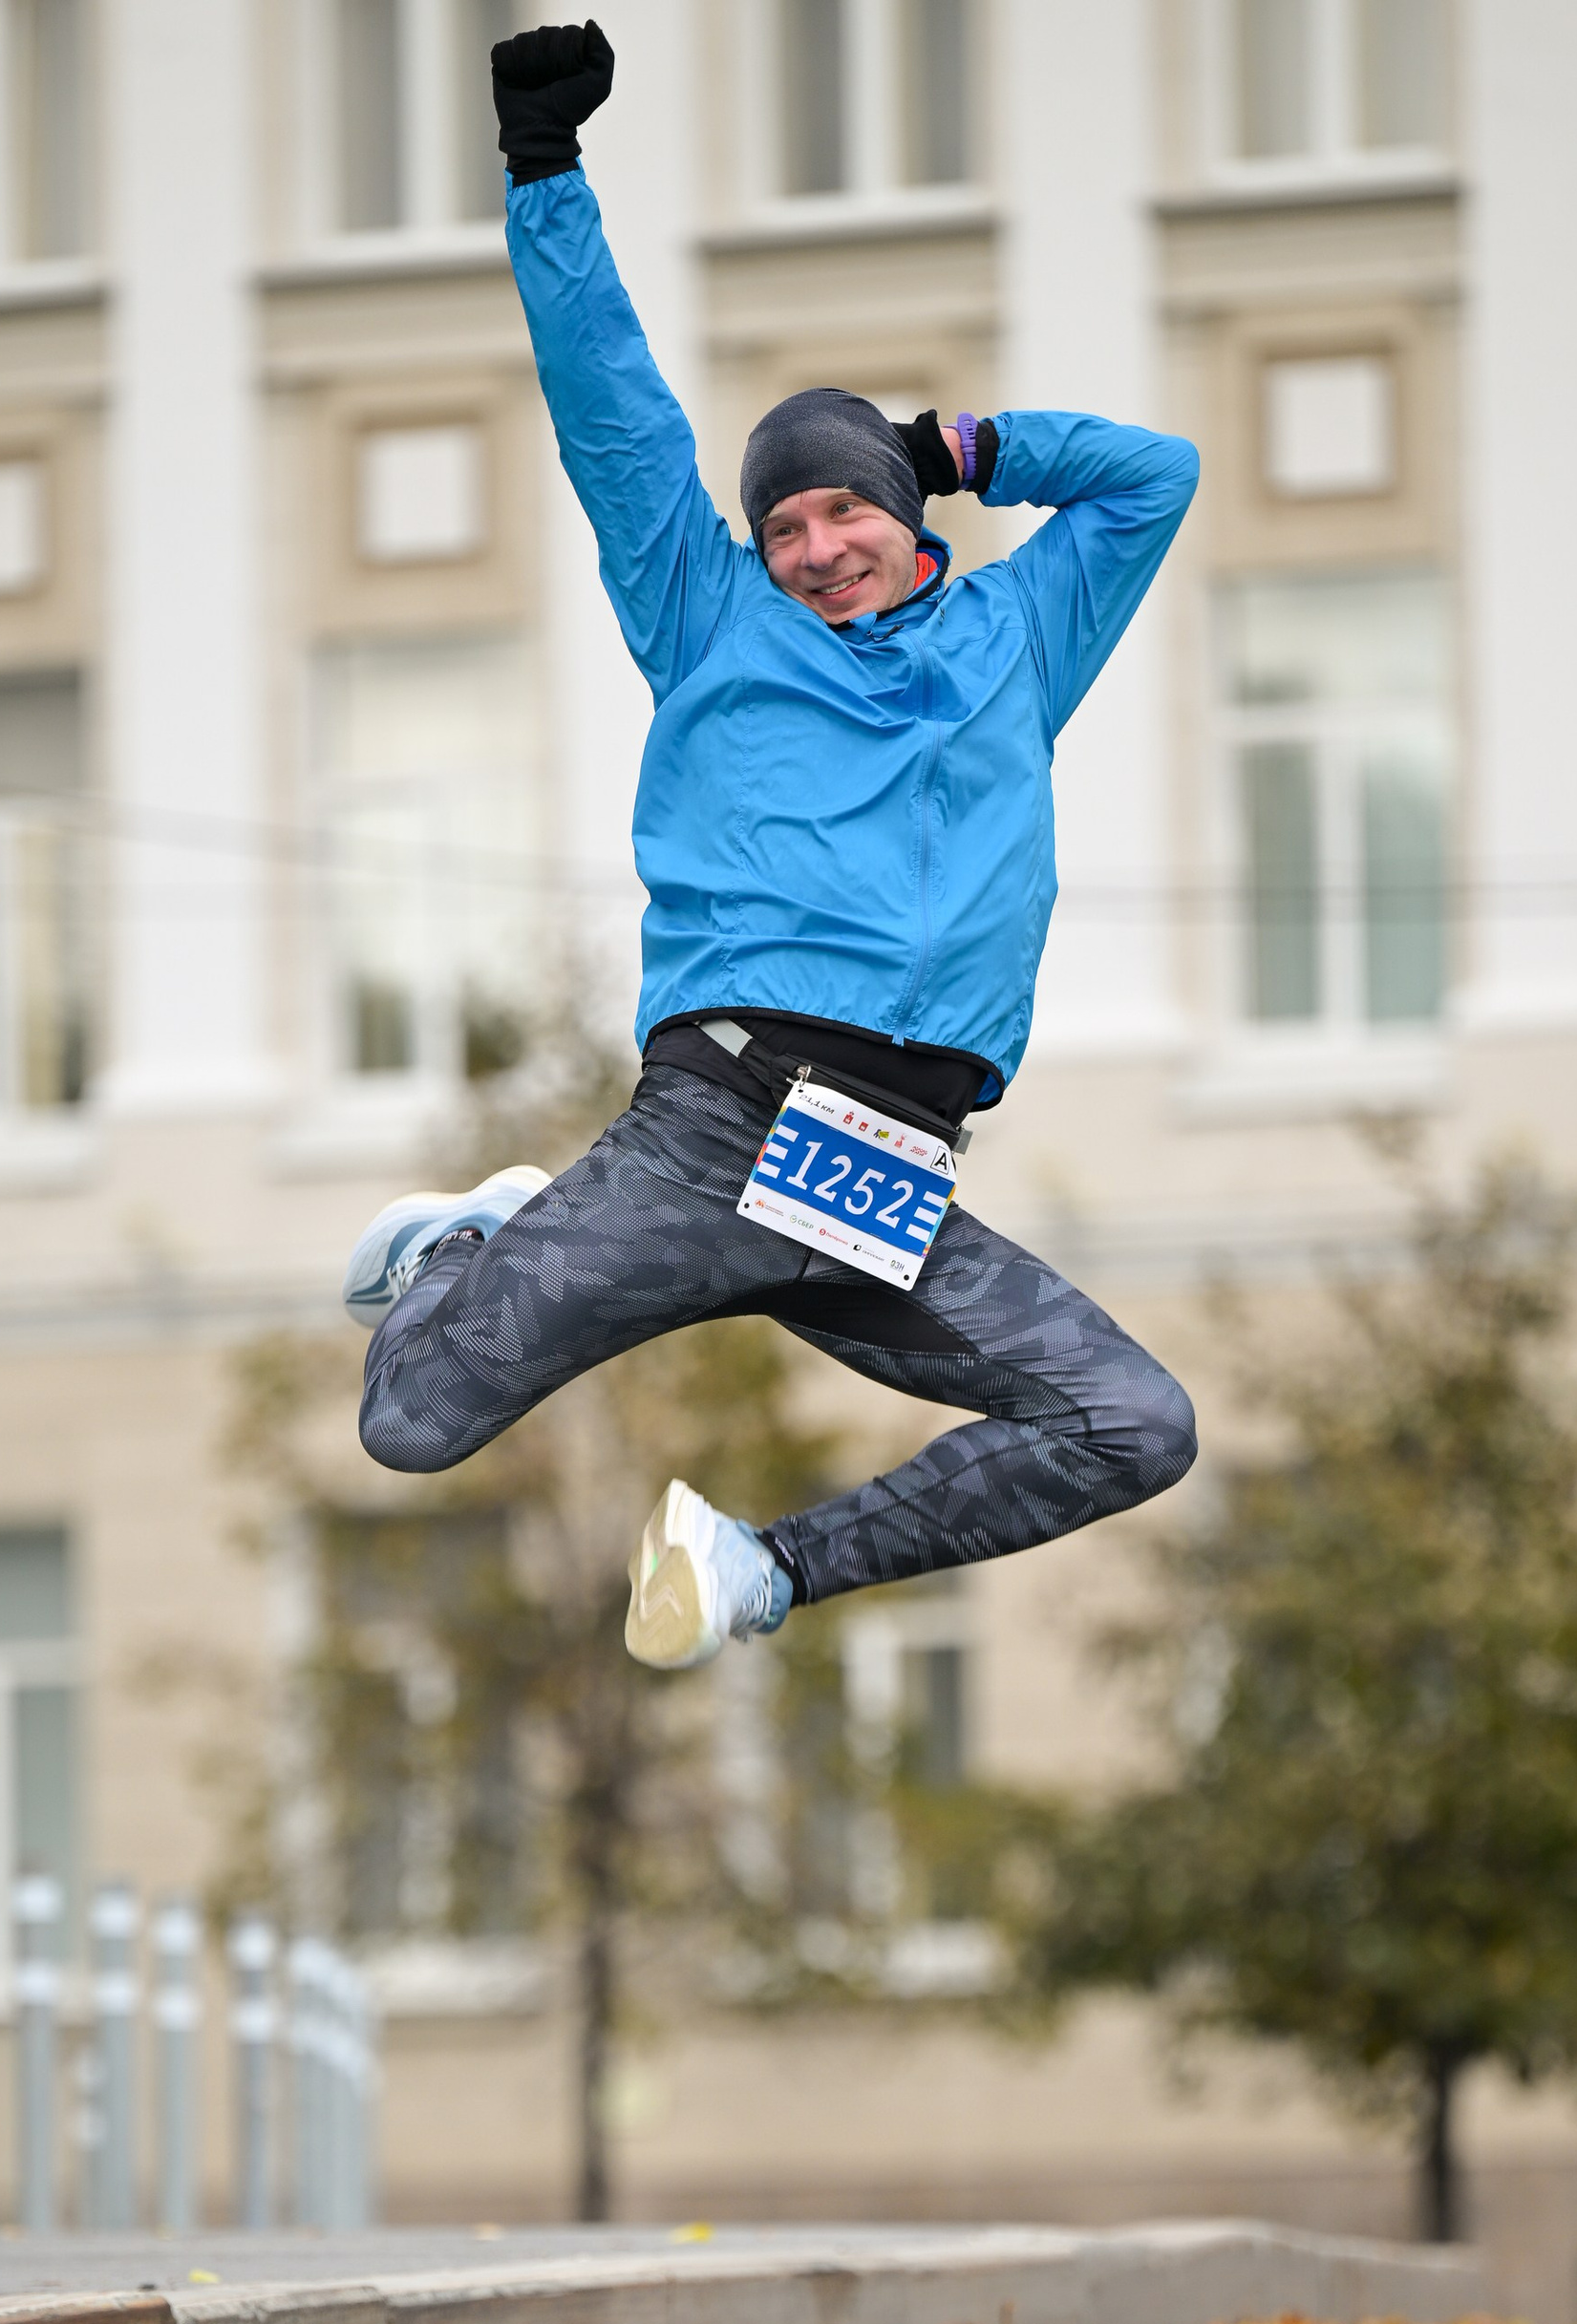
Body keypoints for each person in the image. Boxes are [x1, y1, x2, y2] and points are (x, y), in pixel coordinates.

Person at [346, 16, 1201, 1674]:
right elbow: (613, 405)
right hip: (719, 1123)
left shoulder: (1022, 636)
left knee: (1132, 1427)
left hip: (887, 1172)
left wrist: (968, 446)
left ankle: (762, 1571)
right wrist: (544, 173)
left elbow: (1151, 479)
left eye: (848, 509)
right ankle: (470, 1246)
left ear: (908, 512)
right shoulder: (709, 613)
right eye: (786, 524)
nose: (815, 547)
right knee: (411, 1422)